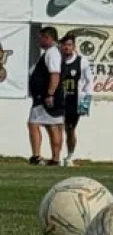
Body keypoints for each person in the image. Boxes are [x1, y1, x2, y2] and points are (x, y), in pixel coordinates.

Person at [27, 26, 65, 166]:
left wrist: (50, 94)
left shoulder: (52, 53)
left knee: (34, 124)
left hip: (45, 97)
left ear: (48, 38)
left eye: (40, 38)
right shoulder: (52, 52)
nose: (38, 41)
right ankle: (55, 159)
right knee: (52, 125)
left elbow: (54, 74)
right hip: (47, 96)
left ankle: (37, 156)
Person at [58, 34, 94, 167]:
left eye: (69, 45)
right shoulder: (57, 60)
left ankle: (70, 156)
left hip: (74, 101)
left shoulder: (81, 62)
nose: (66, 47)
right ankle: (55, 155)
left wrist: (86, 100)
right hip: (58, 101)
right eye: (64, 45)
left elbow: (89, 81)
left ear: (73, 46)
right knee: (56, 127)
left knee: (70, 129)